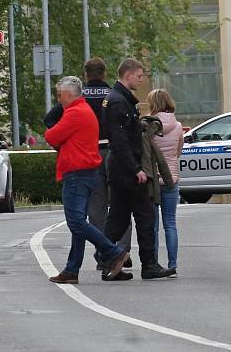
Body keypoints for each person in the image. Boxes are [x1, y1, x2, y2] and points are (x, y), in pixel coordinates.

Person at [43, 58, 133, 269]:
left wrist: (65, 141)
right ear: (104, 73)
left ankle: (106, 253)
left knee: (95, 208)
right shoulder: (113, 94)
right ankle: (122, 249)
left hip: (87, 155)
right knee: (119, 204)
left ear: (85, 75)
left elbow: (49, 121)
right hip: (113, 151)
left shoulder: (76, 100)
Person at [102, 58, 174, 280]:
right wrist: (136, 169)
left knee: (119, 218)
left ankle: (107, 261)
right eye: (140, 76)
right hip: (127, 170)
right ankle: (149, 264)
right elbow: (120, 140)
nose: (142, 80)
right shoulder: (118, 102)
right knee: (145, 215)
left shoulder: (117, 99)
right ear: (128, 75)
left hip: (120, 168)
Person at [148, 89, 183, 273]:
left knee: (152, 225)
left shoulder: (148, 126)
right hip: (171, 179)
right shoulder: (177, 126)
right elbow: (178, 152)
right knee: (170, 223)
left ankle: (153, 263)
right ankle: (173, 264)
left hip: (153, 180)